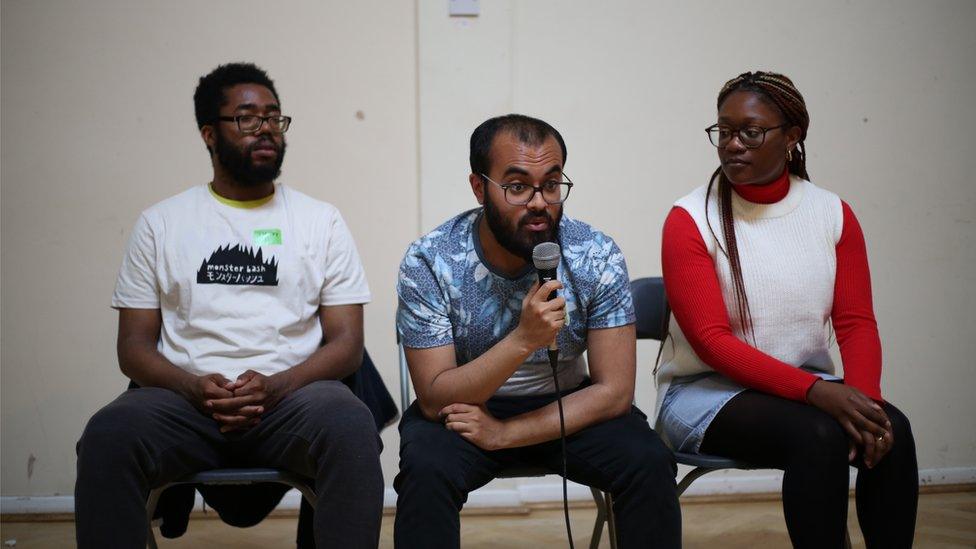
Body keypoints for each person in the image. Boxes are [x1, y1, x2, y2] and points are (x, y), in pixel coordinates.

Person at [74, 62, 384, 548]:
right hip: (184, 401)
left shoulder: (320, 221)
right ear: (208, 134)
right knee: (108, 434)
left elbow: (347, 344)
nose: (265, 128)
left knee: (350, 423)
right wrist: (192, 387)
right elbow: (133, 347)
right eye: (246, 118)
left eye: (273, 117)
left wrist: (278, 386)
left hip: (292, 398)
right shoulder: (161, 223)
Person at [394, 114, 681, 548]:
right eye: (516, 186)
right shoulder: (431, 260)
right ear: (479, 187)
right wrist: (523, 339)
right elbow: (435, 397)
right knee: (425, 470)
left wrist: (506, 434)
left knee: (647, 461)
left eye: (551, 184)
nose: (539, 203)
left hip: (568, 404)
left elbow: (615, 392)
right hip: (465, 406)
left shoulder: (595, 255)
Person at [657, 71, 918, 548]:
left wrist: (865, 403)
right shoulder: (690, 219)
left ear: (792, 136)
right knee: (819, 435)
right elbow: (712, 343)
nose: (733, 144)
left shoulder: (832, 213)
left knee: (890, 429)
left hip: (805, 390)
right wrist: (817, 392)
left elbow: (856, 323)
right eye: (724, 131)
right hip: (706, 395)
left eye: (751, 132)